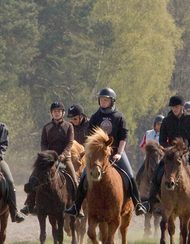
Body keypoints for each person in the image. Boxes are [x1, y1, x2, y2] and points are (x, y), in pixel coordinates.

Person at [64, 88, 148, 218]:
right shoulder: (95, 117)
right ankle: (76, 206)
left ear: (112, 101)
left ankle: (137, 204)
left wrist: (119, 153)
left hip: (115, 151)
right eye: (101, 100)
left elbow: (123, 137)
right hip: (98, 153)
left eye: (105, 100)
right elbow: (89, 136)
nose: (103, 102)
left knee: (130, 176)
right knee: (84, 177)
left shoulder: (119, 117)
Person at [143, 95, 190, 216]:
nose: (174, 109)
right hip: (171, 155)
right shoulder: (166, 121)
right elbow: (163, 140)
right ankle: (151, 203)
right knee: (157, 174)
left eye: (176, 107)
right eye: (173, 107)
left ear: (182, 107)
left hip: (187, 153)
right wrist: (169, 150)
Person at [21, 102, 78, 215]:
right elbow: (43, 143)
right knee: (34, 177)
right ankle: (30, 204)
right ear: (51, 113)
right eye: (54, 112)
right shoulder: (47, 127)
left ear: (63, 113)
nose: (56, 113)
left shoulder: (69, 126)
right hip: (49, 159)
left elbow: (69, 143)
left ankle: (77, 206)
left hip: (64, 158)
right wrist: (45, 155)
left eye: (58, 111)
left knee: (74, 179)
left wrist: (63, 155)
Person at [136, 114, 164, 179]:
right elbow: (142, 146)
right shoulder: (148, 133)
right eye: (158, 124)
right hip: (147, 160)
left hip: (159, 160)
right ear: (155, 124)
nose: (159, 126)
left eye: (161, 125)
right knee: (138, 175)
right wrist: (148, 154)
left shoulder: (164, 135)